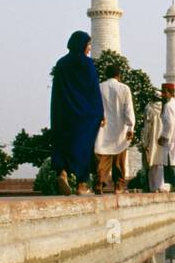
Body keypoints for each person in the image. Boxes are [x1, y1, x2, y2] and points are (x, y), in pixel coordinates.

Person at [49, 31, 104, 195]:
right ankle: (81, 184)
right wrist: (100, 113)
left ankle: (63, 172)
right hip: (84, 114)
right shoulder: (87, 64)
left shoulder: (61, 63)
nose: (89, 49)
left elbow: (57, 91)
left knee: (64, 142)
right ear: (82, 45)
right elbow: (94, 91)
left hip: (63, 112)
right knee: (84, 146)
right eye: (88, 45)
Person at [94, 61, 135, 194]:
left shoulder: (99, 87)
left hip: (103, 128)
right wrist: (130, 127)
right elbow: (128, 109)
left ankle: (100, 182)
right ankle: (118, 186)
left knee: (104, 158)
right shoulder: (124, 89)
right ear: (119, 75)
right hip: (120, 129)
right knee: (119, 160)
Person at [139, 97, 164, 191]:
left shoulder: (149, 108)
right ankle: (161, 185)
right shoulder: (164, 108)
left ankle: (153, 186)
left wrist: (145, 142)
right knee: (161, 163)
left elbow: (147, 126)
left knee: (152, 163)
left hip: (152, 139)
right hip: (163, 138)